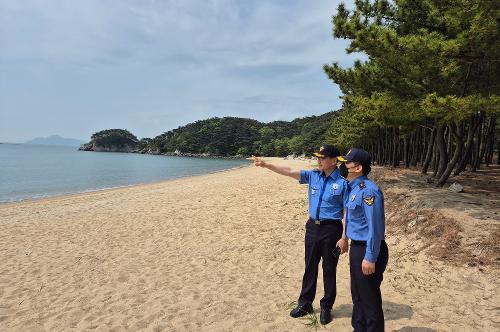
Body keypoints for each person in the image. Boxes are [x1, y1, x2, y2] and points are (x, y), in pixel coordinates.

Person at [252, 144, 348, 325]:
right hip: (312, 227)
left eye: (322, 157)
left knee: (329, 269)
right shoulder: (312, 176)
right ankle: (305, 304)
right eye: (318, 157)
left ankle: (326, 306)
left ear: (334, 161)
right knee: (309, 266)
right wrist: (265, 164)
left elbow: (345, 213)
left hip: (331, 230)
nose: (318, 160)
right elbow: (288, 171)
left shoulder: (342, 183)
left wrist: (344, 238)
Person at [338, 148, 389, 332]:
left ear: (358, 168)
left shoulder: (369, 191)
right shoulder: (352, 188)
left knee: (370, 300)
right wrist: (344, 238)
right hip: (356, 248)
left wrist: (370, 257)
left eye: (346, 163)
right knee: (357, 295)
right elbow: (350, 218)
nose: (343, 166)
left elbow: (376, 229)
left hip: (369, 249)